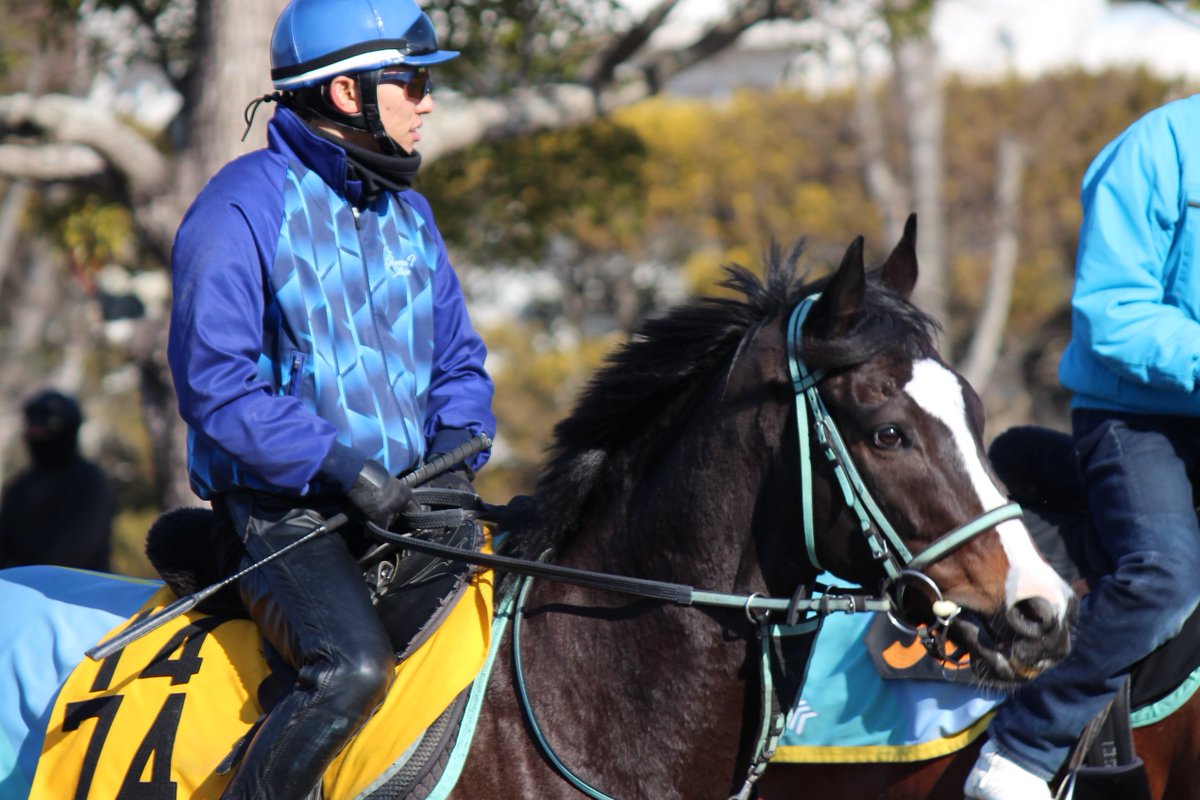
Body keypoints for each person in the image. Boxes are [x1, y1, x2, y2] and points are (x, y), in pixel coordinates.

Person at [166, 0, 495, 797]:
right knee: (351, 670)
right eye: (411, 83)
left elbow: (460, 366)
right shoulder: (239, 206)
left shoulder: (411, 215)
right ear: (349, 94)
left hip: (411, 503)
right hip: (282, 514)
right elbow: (217, 385)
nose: (427, 101)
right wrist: (340, 465)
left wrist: (454, 458)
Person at [964, 95, 1200, 798]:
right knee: (1163, 575)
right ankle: (1024, 747)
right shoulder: (1157, 148)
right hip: (1138, 419)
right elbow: (1112, 316)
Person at [0, 389, 115, 572]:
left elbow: (77, 548)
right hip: (21, 591)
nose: (37, 434)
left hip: (79, 593)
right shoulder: (20, 487)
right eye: (33, 426)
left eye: (45, 428)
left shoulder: (90, 481)